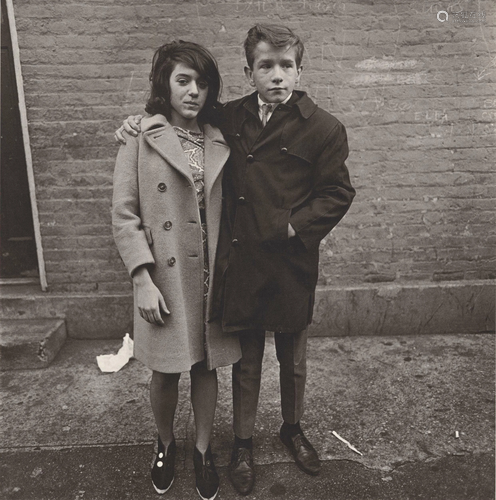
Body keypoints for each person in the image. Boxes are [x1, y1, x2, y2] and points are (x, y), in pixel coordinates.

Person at [116, 24, 355, 496]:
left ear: (300, 70)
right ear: (249, 72)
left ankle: (292, 428)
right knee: (244, 361)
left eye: (287, 66)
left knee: (294, 358)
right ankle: (241, 443)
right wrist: (134, 121)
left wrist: (293, 227)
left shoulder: (324, 127)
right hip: (240, 263)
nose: (277, 76)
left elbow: (338, 192)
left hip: (290, 261)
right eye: (266, 66)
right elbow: (173, 123)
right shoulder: (230, 117)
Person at [112, 40, 241, 500]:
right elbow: (124, 215)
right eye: (183, 80)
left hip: (212, 276)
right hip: (164, 278)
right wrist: (141, 279)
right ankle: (165, 443)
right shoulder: (139, 137)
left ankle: (202, 450)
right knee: (166, 371)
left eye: (202, 83)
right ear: (163, 84)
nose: (193, 92)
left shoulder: (220, 136)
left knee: (207, 368)